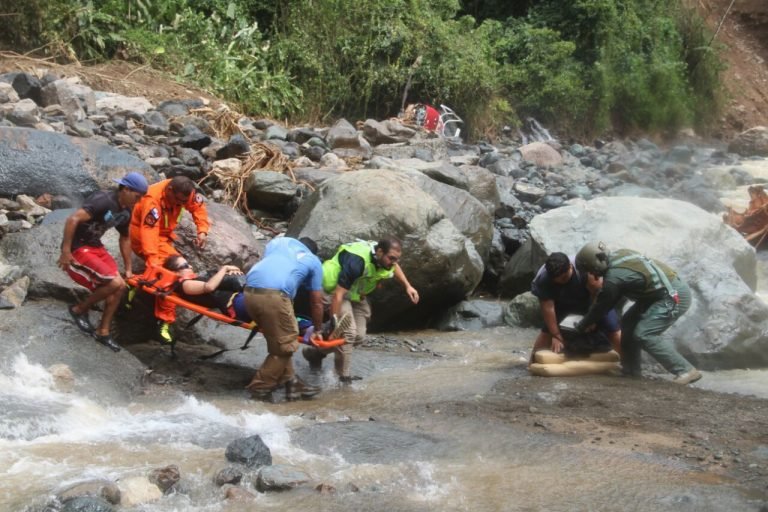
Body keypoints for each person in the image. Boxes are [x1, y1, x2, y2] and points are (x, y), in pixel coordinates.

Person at [574, 242, 702, 385]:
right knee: (628, 323)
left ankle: (685, 370)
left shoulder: (614, 278)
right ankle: (630, 371)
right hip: (656, 295)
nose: (592, 274)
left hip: (673, 296)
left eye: (590, 270)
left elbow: (602, 306)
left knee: (644, 333)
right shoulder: (619, 255)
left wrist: (582, 325)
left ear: (595, 264)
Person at [302, 237, 419, 382]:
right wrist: (334, 323)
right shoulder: (356, 262)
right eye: (391, 258)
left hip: (355, 294)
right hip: (334, 290)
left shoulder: (385, 259)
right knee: (348, 333)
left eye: (396, 259)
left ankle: (315, 354)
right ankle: (342, 378)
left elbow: (395, 267)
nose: (394, 262)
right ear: (380, 252)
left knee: (358, 337)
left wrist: (408, 286)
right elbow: (338, 296)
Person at [58, 172, 149, 352]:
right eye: (137, 196)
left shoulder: (125, 211)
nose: (137, 201)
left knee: (121, 286)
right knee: (114, 282)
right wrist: (66, 251)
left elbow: (125, 238)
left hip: (95, 246)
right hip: (79, 247)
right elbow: (72, 219)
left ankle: (103, 331)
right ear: (126, 189)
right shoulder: (104, 200)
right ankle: (79, 309)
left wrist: (129, 268)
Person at [129, 175, 210, 344]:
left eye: (182, 202)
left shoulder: (184, 191)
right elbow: (148, 232)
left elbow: (197, 207)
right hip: (144, 237)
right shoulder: (153, 200)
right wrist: (152, 259)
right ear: (170, 191)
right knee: (172, 273)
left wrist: (202, 230)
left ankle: (138, 290)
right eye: (177, 201)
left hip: (163, 237)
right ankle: (164, 321)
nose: (179, 205)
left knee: (173, 270)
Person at [242, 236, 325, 400]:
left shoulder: (277, 243)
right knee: (285, 346)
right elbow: (317, 302)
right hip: (274, 296)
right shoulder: (313, 261)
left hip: (248, 292)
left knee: (279, 341)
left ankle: (292, 383)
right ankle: (259, 389)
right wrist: (318, 329)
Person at [529, 252, 621, 363]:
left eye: (564, 278)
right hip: (561, 302)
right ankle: (531, 365)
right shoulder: (543, 279)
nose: (561, 282)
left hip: (592, 297)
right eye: (557, 280)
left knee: (613, 329)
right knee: (546, 333)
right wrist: (556, 335)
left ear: (570, 267)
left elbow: (598, 294)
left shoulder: (585, 268)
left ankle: (627, 363)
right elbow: (548, 308)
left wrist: (592, 319)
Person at [162, 255, 248, 321]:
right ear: (175, 273)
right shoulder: (184, 285)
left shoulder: (195, 278)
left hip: (240, 297)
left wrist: (232, 271)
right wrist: (225, 268)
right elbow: (209, 287)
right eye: (185, 266)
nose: (191, 266)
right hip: (234, 304)